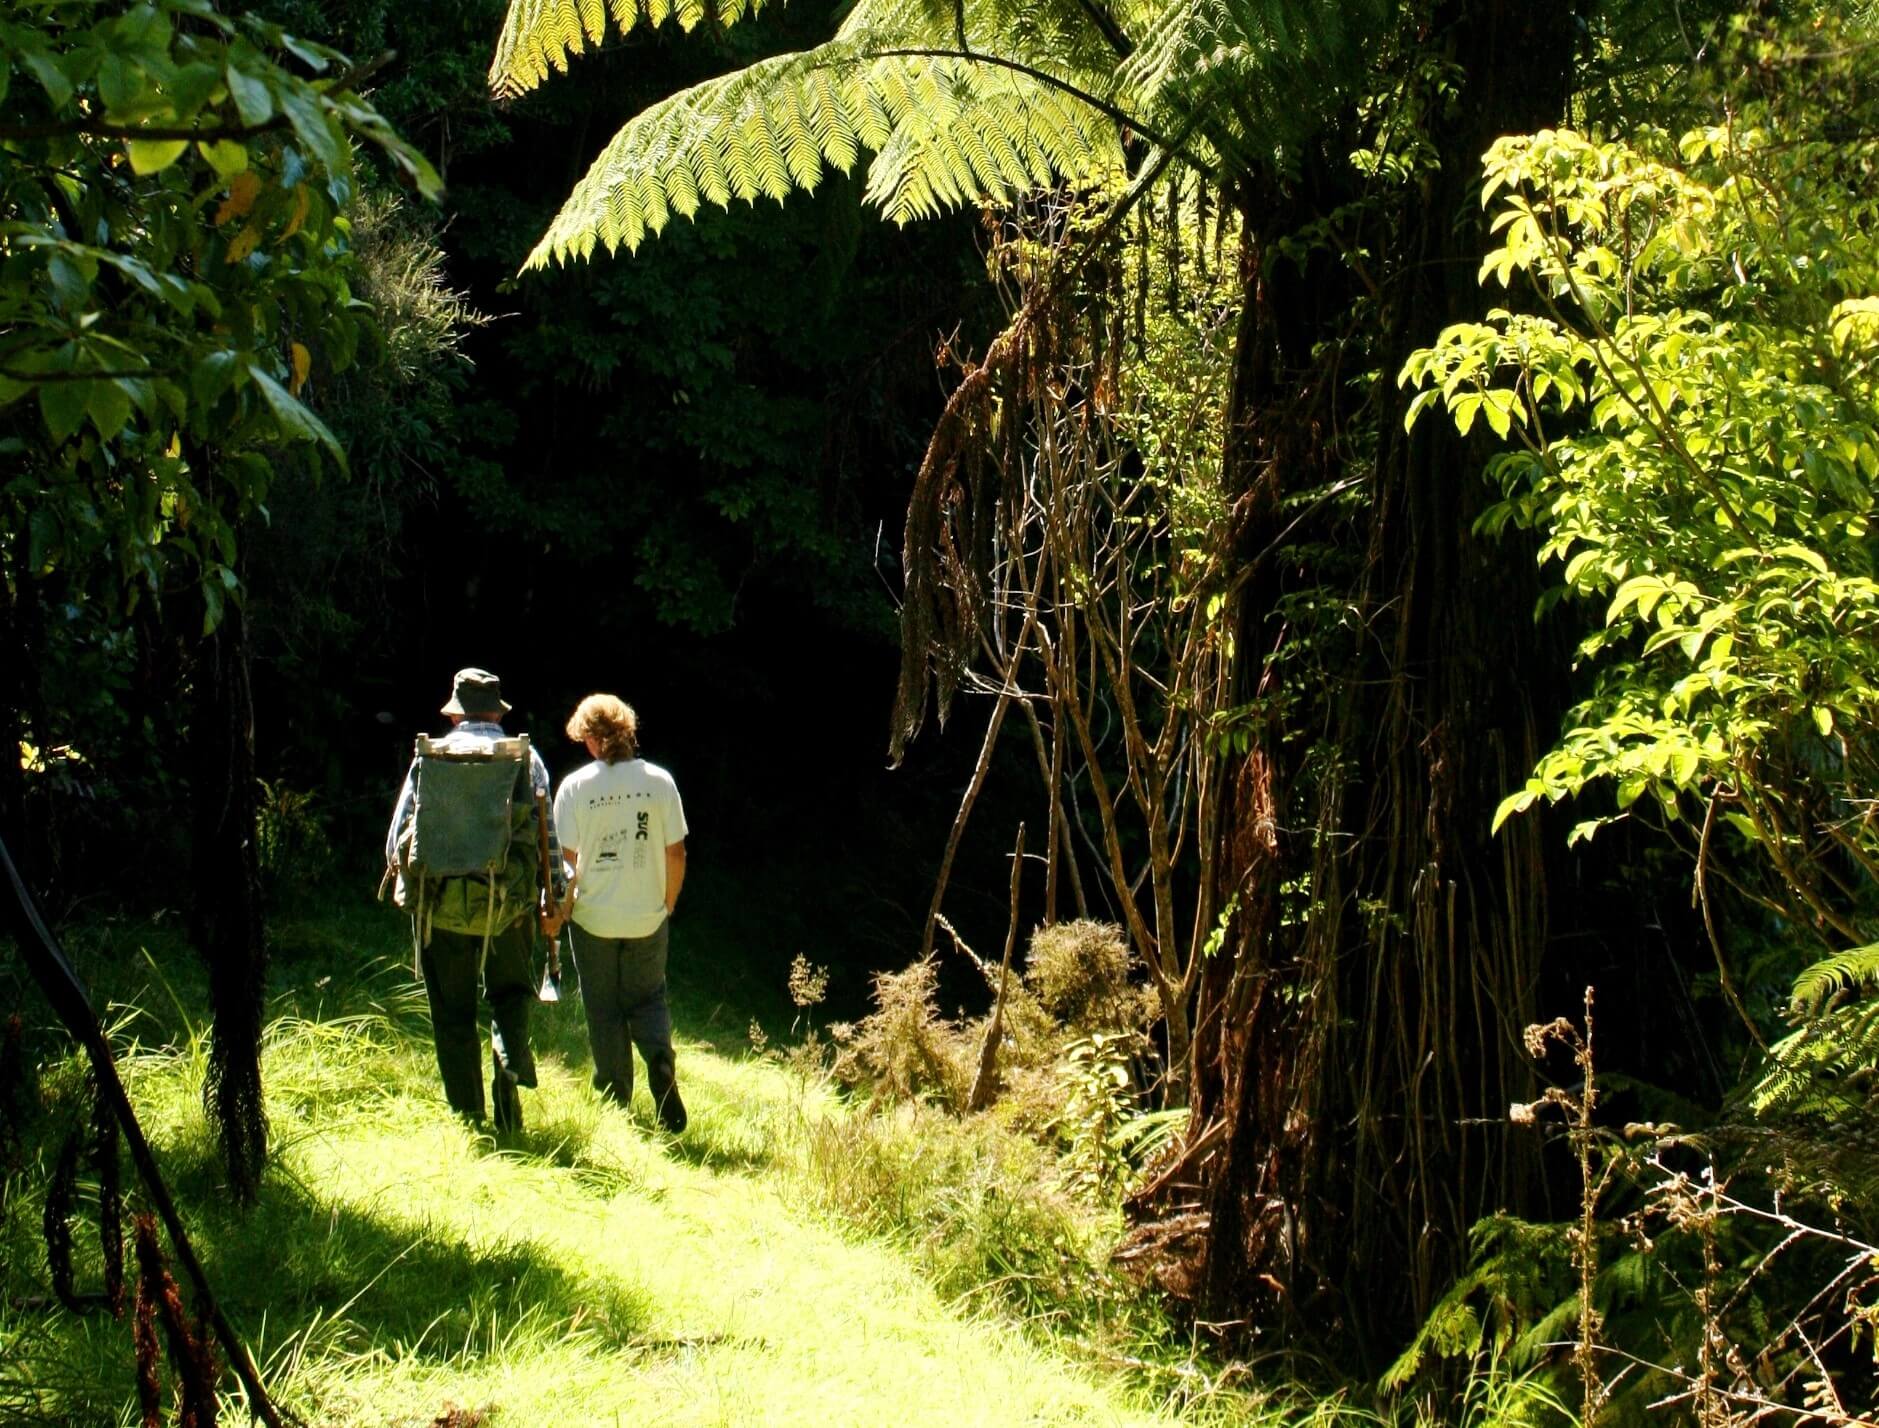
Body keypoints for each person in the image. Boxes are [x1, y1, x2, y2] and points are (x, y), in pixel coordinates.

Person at [384, 667, 563, 1131]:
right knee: (510, 994)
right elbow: (546, 836)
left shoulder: (432, 755)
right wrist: (553, 898)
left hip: (440, 909)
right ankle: (507, 1062)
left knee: (453, 1012)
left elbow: (395, 841)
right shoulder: (524, 757)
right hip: (509, 908)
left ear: (456, 711)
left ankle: (469, 1115)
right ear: (497, 711)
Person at [553, 693, 688, 1133]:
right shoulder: (661, 782)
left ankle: (615, 1097)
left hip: (594, 918)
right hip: (646, 915)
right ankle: (660, 1063)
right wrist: (666, 904)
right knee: (648, 998)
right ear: (627, 732)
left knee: (603, 1006)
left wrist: (562, 911)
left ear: (591, 739)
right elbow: (677, 854)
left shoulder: (574, 788)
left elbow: (566, 864)